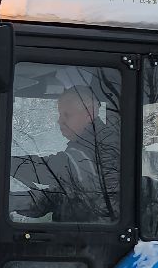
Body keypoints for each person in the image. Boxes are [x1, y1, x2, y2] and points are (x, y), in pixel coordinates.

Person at [11, 83, 119, 222]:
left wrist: (1, 164)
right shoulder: (89, 146)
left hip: (94, 237)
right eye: (60, 114)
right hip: (81, 234)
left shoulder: (103, 148)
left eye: (66, 115)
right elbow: (57, 195)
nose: (59, 121)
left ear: (89, 113)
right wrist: (12, 202)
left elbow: (46, 169)